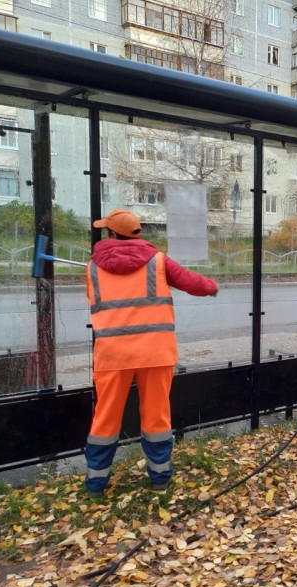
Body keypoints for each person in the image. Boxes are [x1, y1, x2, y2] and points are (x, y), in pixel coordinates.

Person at [84, 208, 218, 497]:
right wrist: (212, 287)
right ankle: (160, 479)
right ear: (136, 233)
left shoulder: (92, 267)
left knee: (105, 419)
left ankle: (96, 484)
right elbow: (189, 281)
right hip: (155, 353)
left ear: (110, 233)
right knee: (156, 416)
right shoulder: (158, 261)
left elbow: (93, 300)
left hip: (112, 355)